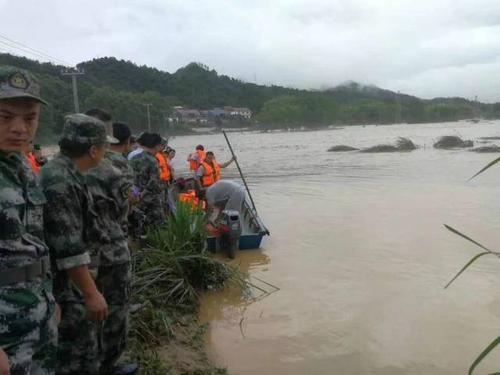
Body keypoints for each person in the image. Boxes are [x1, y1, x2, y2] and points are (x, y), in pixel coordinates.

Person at [40, 114, 113, 375]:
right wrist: (90, 293)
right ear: (94, 150)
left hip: (71, 286)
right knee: (78, 358)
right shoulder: (60, 181)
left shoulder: (67, 173)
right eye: (105, 146)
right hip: (68, 290)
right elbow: (67, 246)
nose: (106, 152)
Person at [0, 66, 57, 375]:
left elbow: (32, 243)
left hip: (35, 315)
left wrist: (49, 301)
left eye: (30, 118)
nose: (20, 128)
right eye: (5, 117)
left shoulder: (21, 166)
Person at [85, 117, 137, 375]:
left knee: (89, 311)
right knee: (115, 309)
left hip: (84, 255)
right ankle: (108, 365)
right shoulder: (115, 168)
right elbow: (126, 204)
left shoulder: (64, 169)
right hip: (112, 249)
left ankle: (96, 361)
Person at [129, 132, 165, 232]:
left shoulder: (133, 159)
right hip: (151, 199)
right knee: (157, 227)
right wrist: (143, 194)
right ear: (156, 145)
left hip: (134, 197)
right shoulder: (152, 160)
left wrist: (136, 195)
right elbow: (153, 182)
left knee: (139, 225)